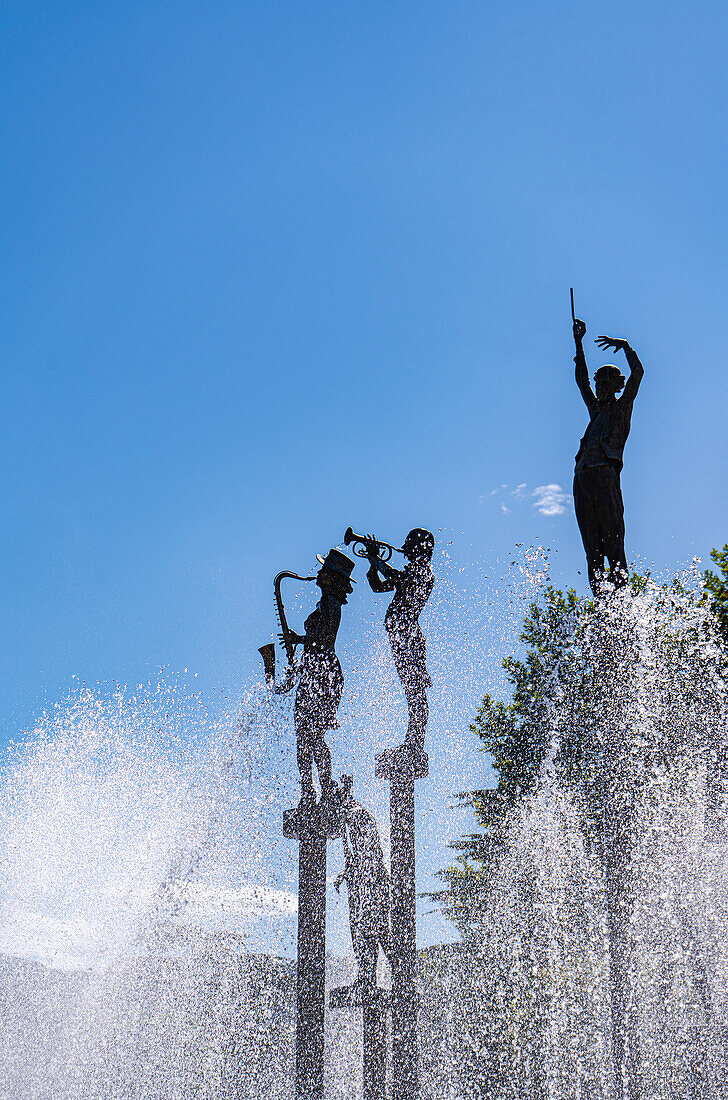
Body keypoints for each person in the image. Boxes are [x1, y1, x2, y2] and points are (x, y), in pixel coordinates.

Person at [572, 317, 644, 595]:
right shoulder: (595, 411)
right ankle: (600, 607)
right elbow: (581, 383)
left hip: (605, 475)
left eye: (605, 383)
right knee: (591, 550)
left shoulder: (621, 408)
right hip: (582, 478)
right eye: (598, 383)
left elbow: (638, 374)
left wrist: (625, 347)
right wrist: (579, 343)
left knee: (613, 546)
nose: (599, 388)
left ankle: (622, 605)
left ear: (616, 385)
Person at [289, 549, 355, 804]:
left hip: (323, 673)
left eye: (323, 571)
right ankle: (312, 788)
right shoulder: (325, 602)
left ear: (332, 578)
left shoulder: (330, 603)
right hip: (316, 671)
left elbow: (324, 641)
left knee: (311, 735)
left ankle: (319, 788)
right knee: (306, 735)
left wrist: (299, 639)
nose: (318, 574)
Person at [365, 529, 435, 758]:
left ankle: (414, 745)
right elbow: (378, 587)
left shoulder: (423, 572)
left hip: (408, 637)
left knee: (416, 696)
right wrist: (372, 564)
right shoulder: (415, 572)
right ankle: (413, 743)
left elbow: (396, 578)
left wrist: (376, 559)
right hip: (401, 636)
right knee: (413, 694)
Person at [334, 775, 393, 997]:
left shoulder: (358, 817)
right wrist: (347, 873)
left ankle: (398, 975)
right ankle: (368, 977)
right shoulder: (350, 820)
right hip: (364, 885)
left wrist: (365, 883)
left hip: (372, 886)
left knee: (373, 930)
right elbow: (357, 857)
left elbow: (371, 855)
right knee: (367, 931)